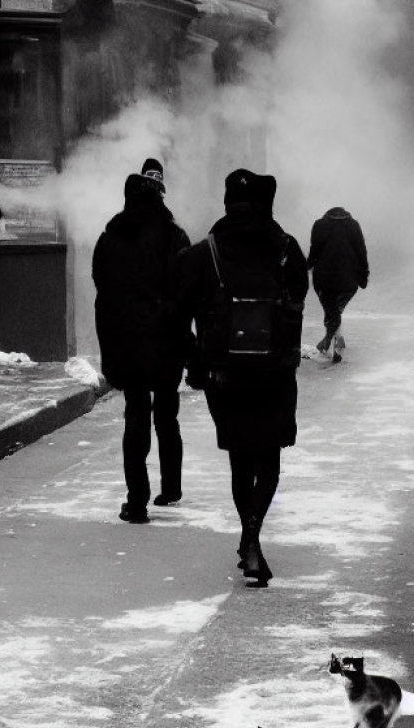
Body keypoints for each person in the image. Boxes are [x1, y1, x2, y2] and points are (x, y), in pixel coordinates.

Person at [179, 169, 308, 586]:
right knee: (268, 459)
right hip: (273, 372)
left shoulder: (208, 252)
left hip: (224, 373)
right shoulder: (287, 249)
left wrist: (195, 358)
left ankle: (248, 537)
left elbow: (176, 310)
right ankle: (252, 536)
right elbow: (299, 298)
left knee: (240, 457)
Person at [92, 163, 191, 523]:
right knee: (167, 413)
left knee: (136, 416)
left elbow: (102, 289)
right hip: (165, 341)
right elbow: (186, 290)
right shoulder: (174, 237)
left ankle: (137, 503)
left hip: (128, 344)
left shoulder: (111, 238)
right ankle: (171, 487)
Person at [307, 207, 369, 363]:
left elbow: (314, 251)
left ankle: (334, 340)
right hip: (348, 279)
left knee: (331, 309)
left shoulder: (320, 225)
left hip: (324, 279)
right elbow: (361, 251)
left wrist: (304, 268)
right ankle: (335, 339)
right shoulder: (354, 225)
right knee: (336, 309)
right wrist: (363, 275)